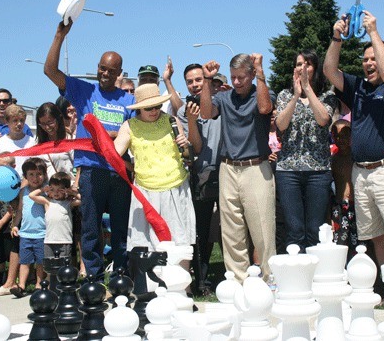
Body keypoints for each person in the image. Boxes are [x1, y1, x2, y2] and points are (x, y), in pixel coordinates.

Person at [323, 11, 384, 269]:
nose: (369, 63)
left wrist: (373, 31)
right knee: (377, 236)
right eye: (365, 59)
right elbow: (330, 70)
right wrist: (336, 37)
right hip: (361, 172)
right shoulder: (359, 87)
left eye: (374, 58)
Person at [44, 20, 135, 279]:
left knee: (120, 230)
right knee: (91, 229)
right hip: (92, 171)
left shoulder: (129, 100)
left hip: (119, 172)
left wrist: (114, 134)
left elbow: (135, 132)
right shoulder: (84, 91)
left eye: (111, 70)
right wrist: (59, 35)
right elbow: (50, 71)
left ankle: (120, 278)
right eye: (101, 68)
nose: (104, 74)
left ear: (119, 72)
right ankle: (94, 281)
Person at [199, 54, 276, 283]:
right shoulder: (223, 97)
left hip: (256, 167)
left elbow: (264, 108)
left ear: (252, 75)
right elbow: (205, 113)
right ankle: (236, 281)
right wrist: (206, 80)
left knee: (262, 229)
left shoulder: (263, 90)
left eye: (242, 77)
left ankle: (270, 279)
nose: (237, 82)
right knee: (231, 231)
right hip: (228, 168)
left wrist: (261, 72)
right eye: (233, 77)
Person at [113, 84, 195, 253]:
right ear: (140, 108)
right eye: (149, 107)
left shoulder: (172, 120)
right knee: (147, 246)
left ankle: (183, 279)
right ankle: (150, 280)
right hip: (146, 193)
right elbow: (113, 155)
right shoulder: (129, 126)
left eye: (158, 106)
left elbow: (188, 157)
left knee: (180, 243)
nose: (154, 111)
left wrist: (186, 146)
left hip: (176, 188)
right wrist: (129, 166)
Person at [275, 50, 338, 252]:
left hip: (318, 171)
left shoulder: (327, 96)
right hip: (288, 171)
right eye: (299, 64)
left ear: (315, 69)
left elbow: (323, 120)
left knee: (314, 228)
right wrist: (295, 96)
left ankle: (315, 274)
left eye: (307, 64)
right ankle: (295, 275)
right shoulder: (284, 95)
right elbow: (281, 125)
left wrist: (308, 90)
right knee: (294, 229)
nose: (302, 68)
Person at [177, 63, 223, 292]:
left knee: (230, 229)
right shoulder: (182, 112)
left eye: (199, 79)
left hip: (227, 171)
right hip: (201, 175)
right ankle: (201, 281)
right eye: (190, 81)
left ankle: (231, 275)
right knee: (201, 232)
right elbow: (194, 146)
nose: (195, 85)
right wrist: (191, 120)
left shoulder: (222, 102)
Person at [10, 157, 48, 298]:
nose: (35, 178)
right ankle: (21, 285)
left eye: (39, 174)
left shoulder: (45, 192)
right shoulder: (23, 191)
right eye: (31, 174)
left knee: (40, 262)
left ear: (44, 175)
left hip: (42, 232)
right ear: (25, 176)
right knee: (24, 261)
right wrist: (15, 225)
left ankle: (39, 284)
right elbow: (20, 210)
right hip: (26, 233)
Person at [0, 155, 21, 296]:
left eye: (3, 166)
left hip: (8, 225)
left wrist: (1, 222)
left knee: (10, 252)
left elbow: (14, 207)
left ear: (13, 167)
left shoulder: (14, 182)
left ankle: (10, 280)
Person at [29, 172, 80, 260]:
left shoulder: (68, 203)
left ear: (65, 190)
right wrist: (43, 189)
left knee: (64, 266)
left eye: (59, 190)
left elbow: (83, 200)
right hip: (49, 241)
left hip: (65, 241)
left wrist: (72, 192)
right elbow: (31, 195)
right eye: (52, 189)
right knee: (50, 266)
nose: (56, 192)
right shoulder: (47, 202)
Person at [330, 119, 358, 263]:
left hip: (356, 205)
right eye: (337, 135)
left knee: (358, 242)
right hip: (339, 206)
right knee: (339, 240)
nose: (341, 139)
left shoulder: (357, 157)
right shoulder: (333, 159)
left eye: (345, 135)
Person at [0, 104, 36, 175]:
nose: (19, 124)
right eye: (15, 120)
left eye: (22, 120)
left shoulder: (33, 142)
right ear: (6, 121)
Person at [35, 102, 74, 178]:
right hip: (47, 188)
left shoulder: (70, 140)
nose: (47, 127)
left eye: (50, 122)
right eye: (43, 124)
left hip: (67, 187)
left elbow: (79, 168)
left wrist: (75, 186)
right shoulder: (37, 143)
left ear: (58, 119)